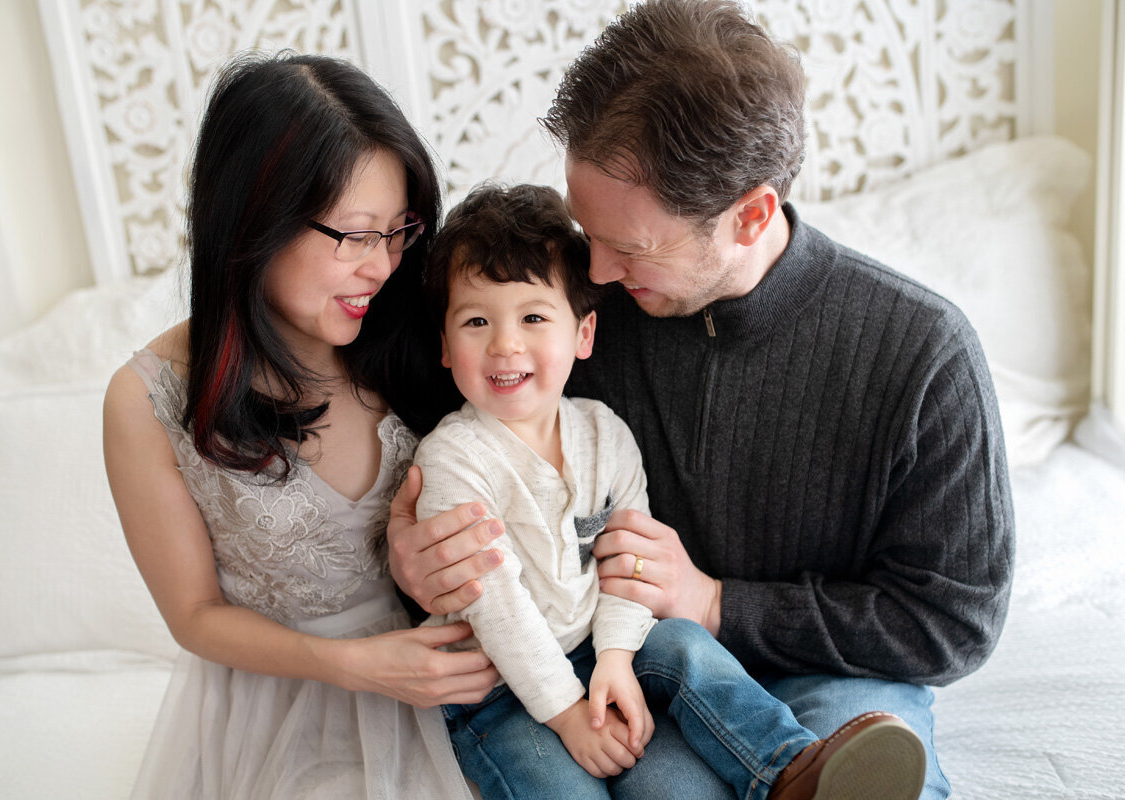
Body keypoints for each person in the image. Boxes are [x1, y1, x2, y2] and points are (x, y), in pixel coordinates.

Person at [387, 2, 1015, 799]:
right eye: (590, 234)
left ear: (750, 214)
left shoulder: (923, 353)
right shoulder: (568, 315)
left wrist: (718, 605)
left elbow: (953, 623)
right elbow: (429, 424)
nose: (600, 274)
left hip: (838, 676)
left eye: (630, 247)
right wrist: (411, 561)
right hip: (641, 659)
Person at [413, 182, 927, 800]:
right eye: (476, 321)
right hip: (498, 689)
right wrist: (568, 715)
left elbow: (630, 564)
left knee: (682, 642)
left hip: (598, 651)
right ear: (445, 346)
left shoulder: (605, 433)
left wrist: (616, 658)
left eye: (533, 317)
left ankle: (790, 771)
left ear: (584, 333)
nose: (505, 344)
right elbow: (497, 609)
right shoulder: (453, 459)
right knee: (562, 786)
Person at [102, 52, 495, 800]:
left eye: (397, 231)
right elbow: (194, 615)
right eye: (353, 234)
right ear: (256, 220)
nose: (380, 267)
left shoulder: (420, 326)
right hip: (286, 697)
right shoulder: (146, 400)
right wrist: (359, 666)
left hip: (461, 673)